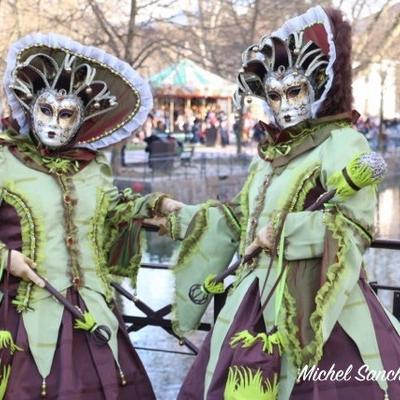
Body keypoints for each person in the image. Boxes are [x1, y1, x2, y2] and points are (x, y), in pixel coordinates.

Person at [153, 6, 400, 400]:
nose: (285, 103)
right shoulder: (268, 154)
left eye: (294, 90)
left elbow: (354, 227)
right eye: (274, 94)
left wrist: (285, 231)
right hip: (250, 299)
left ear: (316, 86)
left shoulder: (340, 142)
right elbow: (239, 220)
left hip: (313, 301)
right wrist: (181, 217)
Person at [0, 33, 174, 399]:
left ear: (82, 119)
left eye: (67, 115)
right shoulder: (5, 160)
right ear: (30, 106)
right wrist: (6, 259)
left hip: (95, 311)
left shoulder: (93, 167)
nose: (55, 123)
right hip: (26, 314)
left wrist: (156, 207)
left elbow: (111, 210)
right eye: (47, 111)